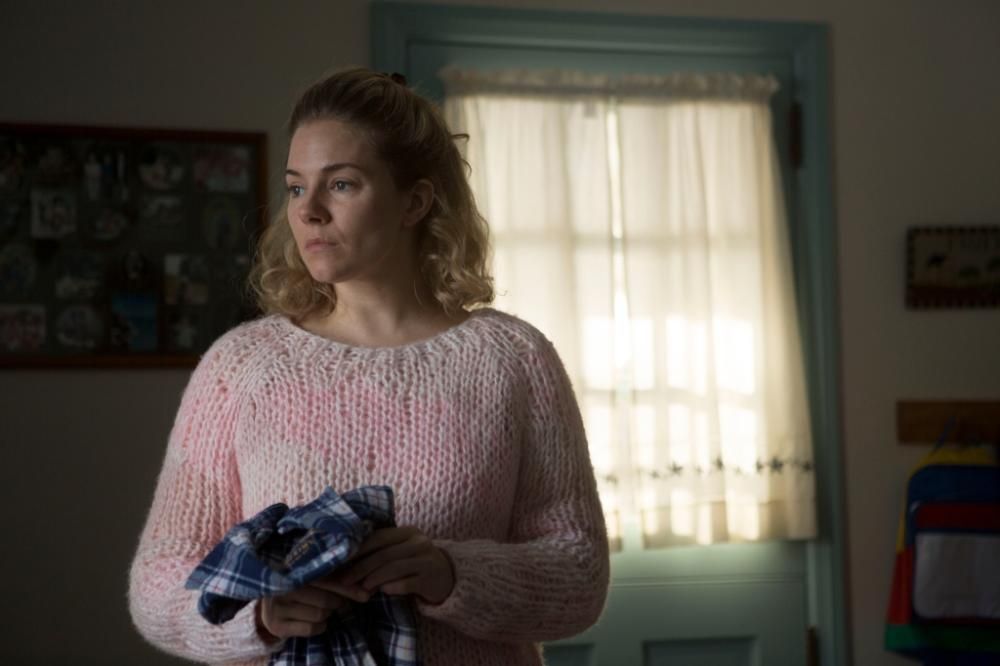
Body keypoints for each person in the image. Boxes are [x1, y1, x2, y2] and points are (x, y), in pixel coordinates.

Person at [128, 67, 610, 666]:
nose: (310, 211)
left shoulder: (514, 359)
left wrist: (450, 573)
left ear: (415, 201)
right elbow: (157, 583)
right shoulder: (241, 366)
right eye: (296, 188)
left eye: (342, 184)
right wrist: (260, 614)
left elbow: (579, 574)